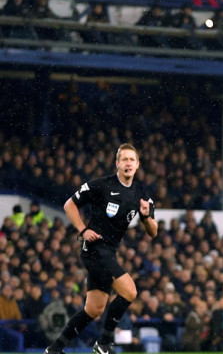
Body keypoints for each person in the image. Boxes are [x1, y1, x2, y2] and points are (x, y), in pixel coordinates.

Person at [45, 144, 158, 354]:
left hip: (109, 252)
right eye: (124, 159)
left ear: (138, 164)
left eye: (132, 160)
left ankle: (54, 349)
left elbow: (153, 231)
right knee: (130, 291)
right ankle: (104, 344)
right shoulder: (101, 185)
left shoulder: (141, 193)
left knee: (94, 309)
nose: (128, 163)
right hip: (94, 249)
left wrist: (146, 216)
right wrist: (82, 229)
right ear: (117, 163)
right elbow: (69, 204)